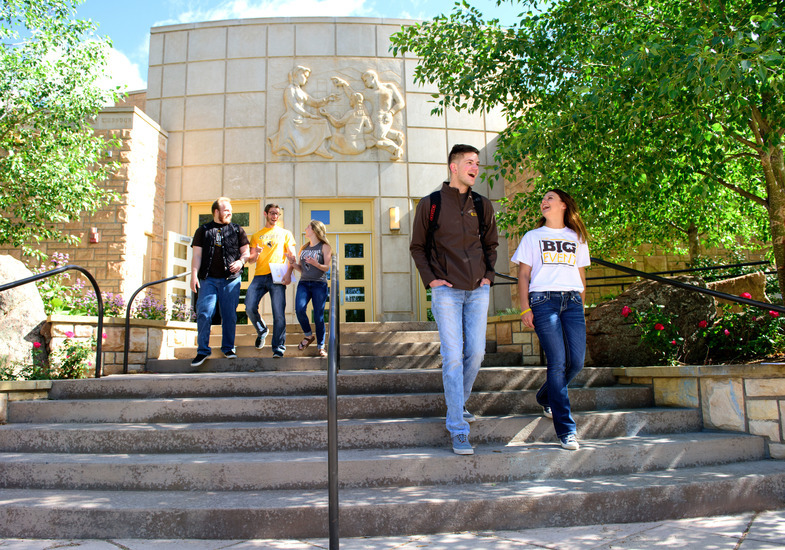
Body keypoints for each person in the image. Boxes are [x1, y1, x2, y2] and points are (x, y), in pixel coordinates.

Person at [410, 144, 498, 455]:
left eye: (478, 163)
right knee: (453, 356)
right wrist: (431, 279)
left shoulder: (482, 205)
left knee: (476, 353)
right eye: (470, 162)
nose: (476, 167)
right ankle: (458, 428)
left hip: (478, 289)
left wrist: (488, 276)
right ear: (454, 167)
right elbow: (417, 247)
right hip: (446, 290)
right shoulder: (431, 204)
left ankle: (458, 403)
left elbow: (491, 245)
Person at [511, 189, 591, 451]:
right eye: (543, 199)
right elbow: (524, 275)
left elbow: (581, 275)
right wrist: (525, 308)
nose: (544, 202)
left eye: (549, 198)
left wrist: (580, 302)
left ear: (564, 205)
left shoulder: (577, 237)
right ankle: (566, 430)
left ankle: (546, 396)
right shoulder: (533, 237)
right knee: (557, 362)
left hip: (572, 302)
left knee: (576, 362)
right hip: (543, 302)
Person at [190, 197, 250, 367]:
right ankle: (203, 351)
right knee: (204, 313)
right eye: (226, 210)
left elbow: (246, 253)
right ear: (216, 211)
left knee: (229, 315)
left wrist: (241, 262)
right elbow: (197, 255)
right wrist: (194, 275)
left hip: (231, 280)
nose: (230, 213)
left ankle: (228, 348)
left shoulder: (237, 230)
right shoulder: (203, 230)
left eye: (231, 210)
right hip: (208, 279)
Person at [246, 204, 297, 358]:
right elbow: (251, 260)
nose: (275, 216)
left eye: (277, 214)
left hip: (277, 275)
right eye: (272, 213)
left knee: (279, 314)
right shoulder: (257, 235)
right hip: (260, 276)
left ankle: (279, 347)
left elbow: (292, 256)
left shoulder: (286, 234)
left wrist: (288, 273)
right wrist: (256, 254)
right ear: (265, 214)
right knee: (249, 306)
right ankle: (262, 329)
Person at [268, 65, 337, 158]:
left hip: (300, 119)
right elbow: (295, 106)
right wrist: (309, 115)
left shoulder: (300, 91)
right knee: (320, 123)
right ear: (297, 75)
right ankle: (318, 148)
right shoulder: (290, 89)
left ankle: (320, 148)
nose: (306, 79)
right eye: (305, 76)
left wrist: (327, 99)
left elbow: (314, 102)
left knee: (322, 122)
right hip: (291, 120)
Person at [286, 220, 332, 358]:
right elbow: (302, 269)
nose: (306, 229)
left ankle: (321, 346)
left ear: (315, 230)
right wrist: (292, 263)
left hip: (319, 284)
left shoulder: (325, 247)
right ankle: (308, 335)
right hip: (304, 283)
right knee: (299, 309)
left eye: (308, 227)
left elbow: (327, 267)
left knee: (318, 316)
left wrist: (316, 264)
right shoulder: (304, 247)